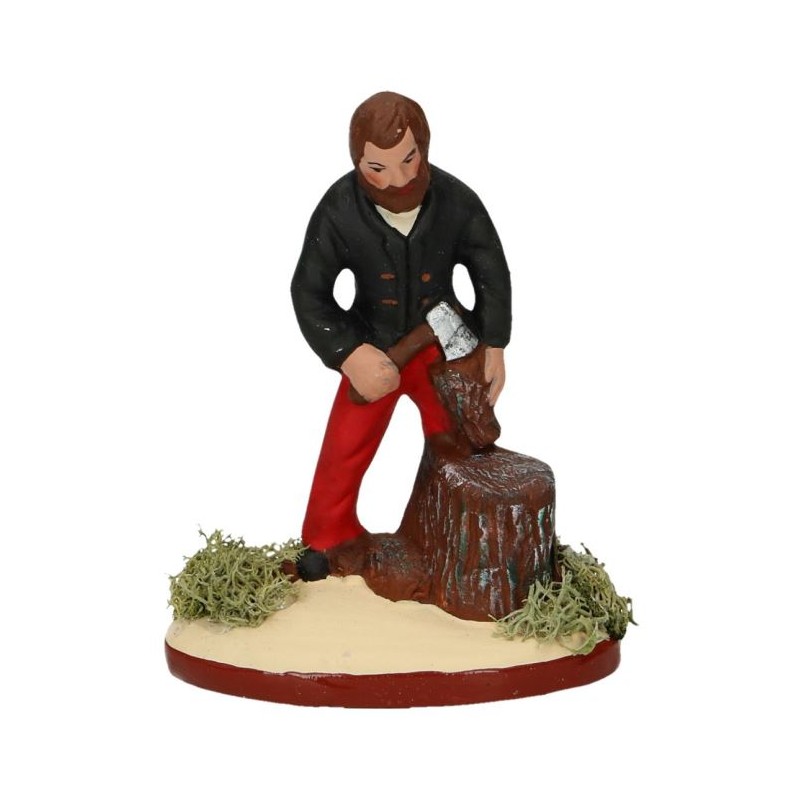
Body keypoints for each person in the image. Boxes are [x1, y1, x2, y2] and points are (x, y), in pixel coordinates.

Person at [291, 91, 511, 580]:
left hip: (443, 349)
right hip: (377, 349)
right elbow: (309, 291)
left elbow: (490, 270)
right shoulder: (339, 209)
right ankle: (328, 538)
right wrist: (349, 353)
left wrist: (494, 344)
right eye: (378, 168)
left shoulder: (455, 200)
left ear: (424, 148)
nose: (397, 179)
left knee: (459, 443)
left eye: (408, 160)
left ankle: (455, 540)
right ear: (358, 162)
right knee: (345, 445)